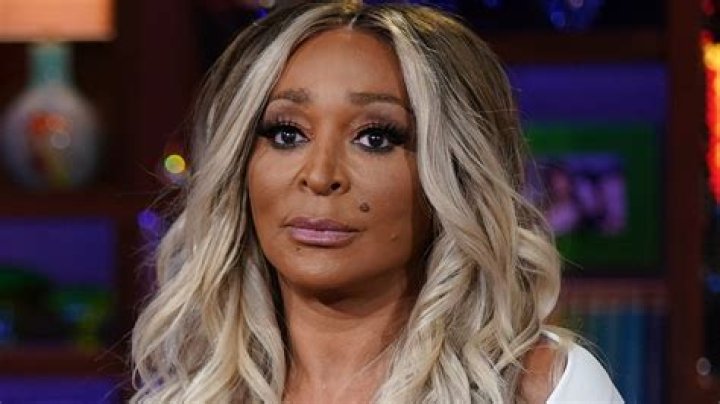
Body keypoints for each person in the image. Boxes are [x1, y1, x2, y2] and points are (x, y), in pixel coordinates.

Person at [131, 2, 624, 403]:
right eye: (286, 133)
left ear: (451, 174)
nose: (320, 175)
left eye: (375, 137)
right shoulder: (192, 396)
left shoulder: (541, 389)